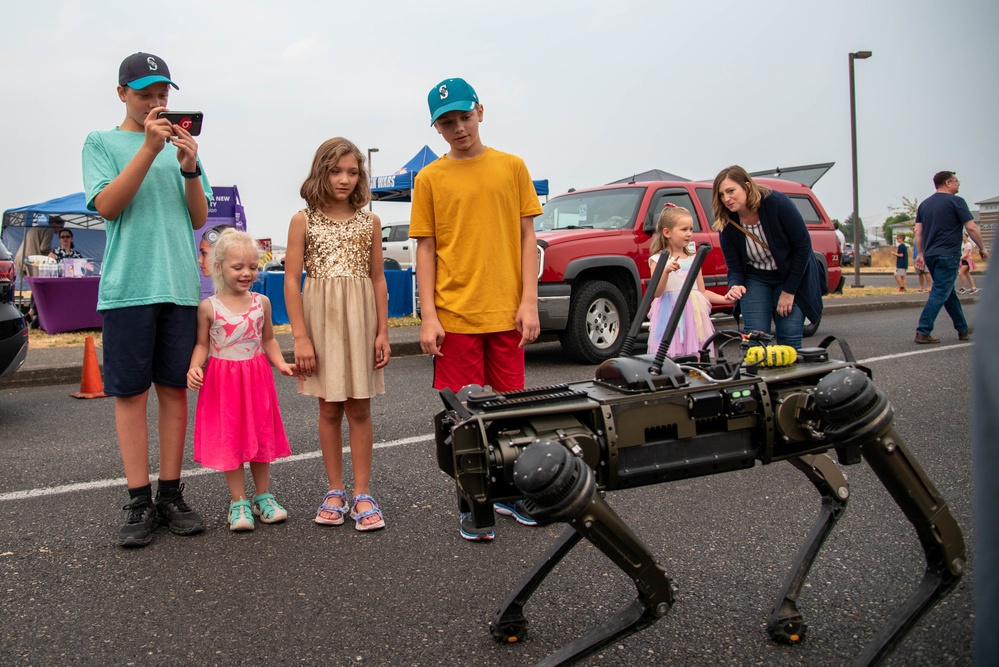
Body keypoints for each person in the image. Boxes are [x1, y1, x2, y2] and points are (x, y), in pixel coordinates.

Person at [82, 52, 211, 547]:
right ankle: (139, 499)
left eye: (163, 95)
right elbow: (109, 206)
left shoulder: (180, 143)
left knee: (175, 391)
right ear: (122, 95)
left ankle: (171, 493)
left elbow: (197, 218)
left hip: (179, 285)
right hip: (128, 286)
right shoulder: (101, 142)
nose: (156, 103)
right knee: (130, 394)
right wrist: (149, 150)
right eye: (145, 95)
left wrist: (190, 166)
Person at [409, 77, 544, 541]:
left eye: (465, 116)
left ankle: (512, 493)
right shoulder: (430, 178)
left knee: (513, 412)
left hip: (507, 311)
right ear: (438, 129)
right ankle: (472, 502)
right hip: (455, 315)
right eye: (448, 122)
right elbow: (425, 249)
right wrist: (428, 314)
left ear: (481, 112)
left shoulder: (512, 167)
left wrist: (529, 302)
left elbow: (529, 239)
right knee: (464, 419)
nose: (459, 127)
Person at [284, 137, 390, 532]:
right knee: (328, 407)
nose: (344, 179)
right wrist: (300, 337)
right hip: (320, 321)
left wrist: (382, 332)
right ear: (321, 172)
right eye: (335, 171)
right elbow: (292, 280)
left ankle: (362, 492)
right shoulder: (303, 220)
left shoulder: (370, 221)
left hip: (361, 320)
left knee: (360, 407)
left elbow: (378, 278)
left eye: (352, 172)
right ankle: (335, 489)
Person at [187, 229, 295, 532]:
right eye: (238, 267)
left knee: (261, 436)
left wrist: (281, 364)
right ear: (219, 266)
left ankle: (263, 496)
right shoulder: (208, 307)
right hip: (222, 382)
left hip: (257, 377)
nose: (247, 273)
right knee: (231, 438)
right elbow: (202, 345)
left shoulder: (262, 302)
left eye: (252, 266)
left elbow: (269, 340)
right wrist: (195, 367)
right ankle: (238, 502)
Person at [711, 165, 824, 350]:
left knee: (788, 337)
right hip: (756, 277)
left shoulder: (777, 203)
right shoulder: (727, 223)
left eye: (731, 191)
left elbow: (803, 248)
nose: (726, 199)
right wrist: (735, 285)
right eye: (721, 195)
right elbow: (735, 269)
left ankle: (790, 379)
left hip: (791, 275)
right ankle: (758, 378)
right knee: (755, 339)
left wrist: (789, 292)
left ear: (746, 186)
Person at [913, 171, 988, 343]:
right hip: (948, 254)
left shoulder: (924, 204)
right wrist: (982, 247)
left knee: (947, 292)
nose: (959, 184)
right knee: (940, 290)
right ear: (948, 183)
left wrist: (921, 253)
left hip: (931, 254)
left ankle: (962, 329)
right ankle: (923, 331)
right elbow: (972, 228)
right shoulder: (957, 202)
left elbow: (918, 231)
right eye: (956, 181)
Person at [647, 204, 731, 357]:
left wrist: (725, 299)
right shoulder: (658, 259)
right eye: (684, 229)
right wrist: (666, 271)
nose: (689, 234)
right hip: (670, 313)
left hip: (693, 315)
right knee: (670, 353)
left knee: (696, 353)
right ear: (667, 232)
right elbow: (657, 292)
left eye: (691, 229)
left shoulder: (693, 258)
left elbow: (702, 291)